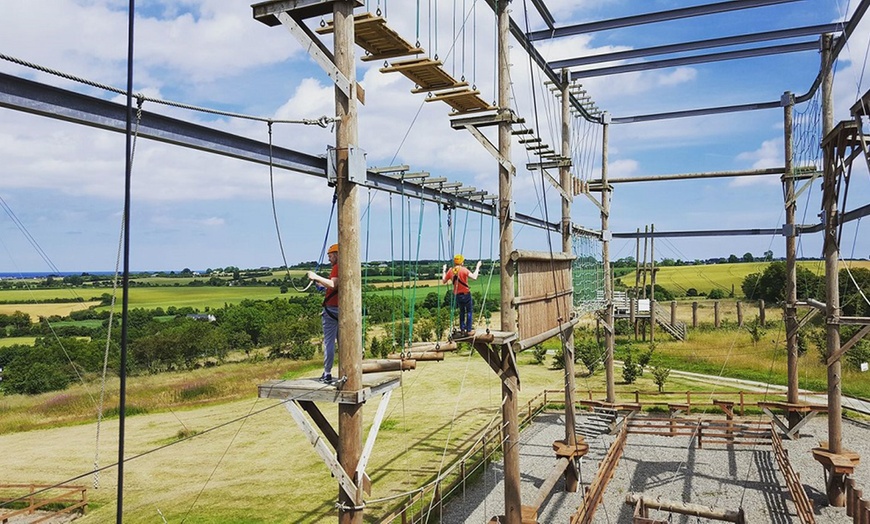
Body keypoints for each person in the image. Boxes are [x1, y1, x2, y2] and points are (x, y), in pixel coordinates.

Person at [308, 243, 338, 383]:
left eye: (331, 256)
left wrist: (316, 276)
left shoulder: (337, 268)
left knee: (329, 342)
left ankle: (327, 373)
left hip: (331, 310)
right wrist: (319, 283)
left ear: (337, 255)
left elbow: (333, 284)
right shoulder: (347, 267)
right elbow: (332, 286)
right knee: (344, 342)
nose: (329, 259)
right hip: (343, 310)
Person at [442, 254, 482, 337]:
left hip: (457, 295)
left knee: (462, 312)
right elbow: (474, 277)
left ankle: (462, 329)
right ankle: (469, 330)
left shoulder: (450, 271)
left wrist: (444, 270)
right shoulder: (464, 270)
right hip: (466, 294)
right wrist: (478, 267)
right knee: (469, 311)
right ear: (462, 262)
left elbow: (444, 281)